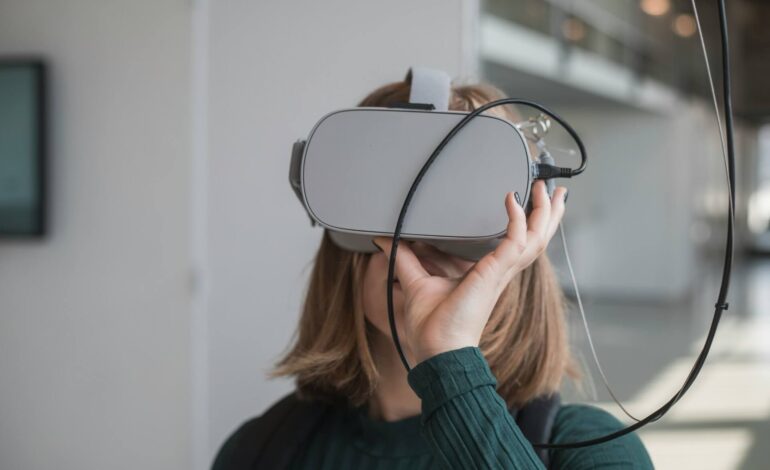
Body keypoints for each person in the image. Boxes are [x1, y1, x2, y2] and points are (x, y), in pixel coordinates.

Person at [212, 76, 654, 469]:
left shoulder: (592, 450)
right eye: (393, 198)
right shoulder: (260, 451)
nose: (419, 244)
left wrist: (449, 358)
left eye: (462, 209)